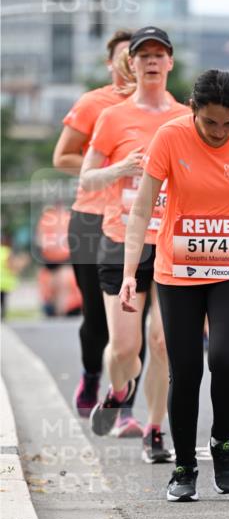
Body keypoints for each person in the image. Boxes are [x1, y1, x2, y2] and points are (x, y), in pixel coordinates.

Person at [120, 69, 229, 501]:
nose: (217, 132)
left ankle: (223, 442)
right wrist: (128, 273)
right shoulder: (170, 138)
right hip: (178, 270)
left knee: (228, 359)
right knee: (186, 370)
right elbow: (140, 211)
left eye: (226, 124)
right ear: (193, 111)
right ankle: (183, 465)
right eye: (207, 122)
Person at [80, 26, 187, 463]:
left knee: (162, 342)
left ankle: (156, 429)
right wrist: (121, 167)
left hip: (171, 242)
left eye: (160, 55)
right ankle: (119, 390)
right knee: (125, 347)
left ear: (170, 63)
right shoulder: (113, 116)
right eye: (144, 55)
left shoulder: (185, 117)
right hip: (121, 238)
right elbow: (87, 177)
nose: (151, 62)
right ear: (133, 63)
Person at [53, 30, 145, 431]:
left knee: (134, 316)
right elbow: (62, 157)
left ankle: (123, 407)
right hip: (92, 218)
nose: (132, 62)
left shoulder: (160, 108)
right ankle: (93, 374)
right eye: (124, 56)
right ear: (112, 64)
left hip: (138, 221)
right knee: (96, 315)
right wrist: (109, 169)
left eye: (139, 55)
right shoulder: (95, 103)